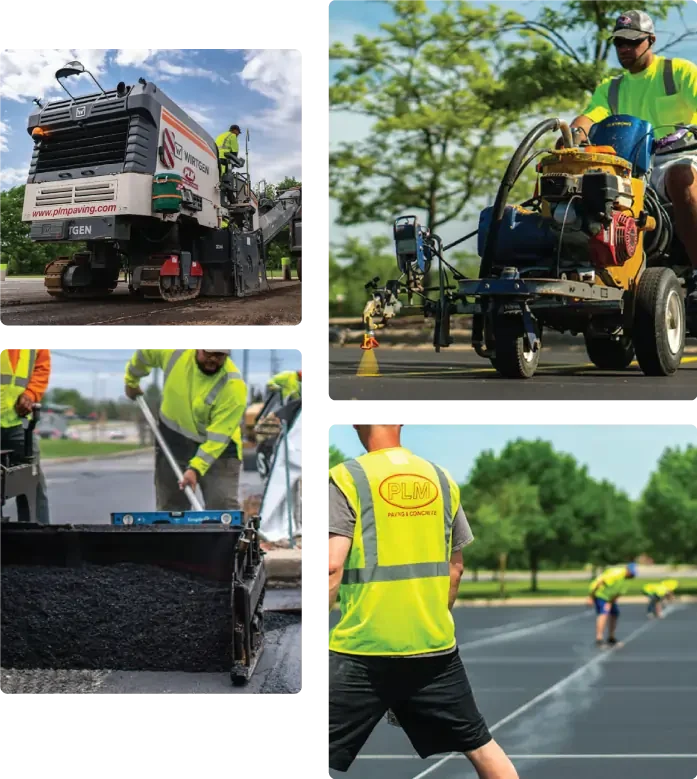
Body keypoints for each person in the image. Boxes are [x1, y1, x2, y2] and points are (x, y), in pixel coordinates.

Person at [328, 424, 519, 779]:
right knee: (481, 746)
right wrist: (433, 616)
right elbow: (455, 569)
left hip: (364, 647)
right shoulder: (442, 479)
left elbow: (331, 566)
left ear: (356, 424)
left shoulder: (347, 477)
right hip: (434, 648)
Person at [558, 10, 697, 333]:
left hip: (678, 158)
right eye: (619, 42)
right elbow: (589, 117)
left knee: (680, 177)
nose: (624, 48)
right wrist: (572, 135)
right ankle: (601, 280)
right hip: (631, 169)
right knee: (588, 193)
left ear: (651, 41)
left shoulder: (678, 72)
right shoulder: (612, 88)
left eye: (632, 42)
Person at [124, 346, 247, 511]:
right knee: (171, 510)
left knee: (222, 509)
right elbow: (145, 352)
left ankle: (223, 536)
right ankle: (175, 536)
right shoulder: (174, 353)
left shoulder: (233, 386)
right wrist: (131, 380)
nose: (213, 360)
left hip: (218, 450)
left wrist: (195, 468)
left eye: (219, 355)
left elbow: (219, 436)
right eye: (208, 354)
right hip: (174, 439)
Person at [0, 347, 51, 524]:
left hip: (18, 423)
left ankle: (38, 543)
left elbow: (41, 368)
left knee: (32, 484)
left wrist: (31, 394)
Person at [588, 562, 637, 646]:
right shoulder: (616, 573)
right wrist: (591, 597)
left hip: (609, 597)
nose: (632, 575)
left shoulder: (627, 579)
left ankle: (611, 637)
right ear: (627, 569)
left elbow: (619, 593)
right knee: (604, 613)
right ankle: (599, 638)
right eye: (631, 572)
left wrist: (610, 602)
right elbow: (600, 582)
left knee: (615, 613)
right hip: (600, 594)